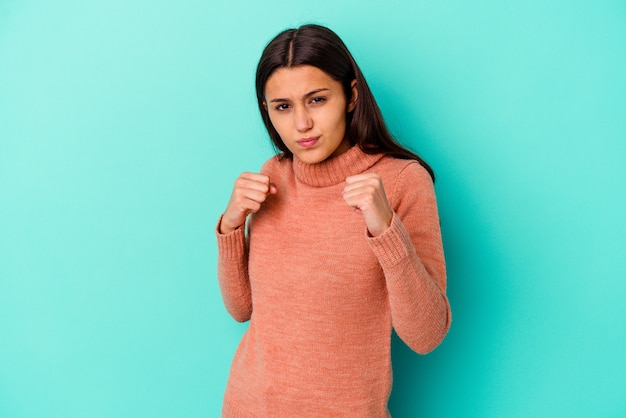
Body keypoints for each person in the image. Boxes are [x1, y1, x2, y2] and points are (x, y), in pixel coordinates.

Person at [216, 24, 451, 417]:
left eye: (317, 99)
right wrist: (230, 225)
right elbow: (241, 308)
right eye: (283, 106)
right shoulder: (271, 177)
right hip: (248, 406)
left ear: (350, 95)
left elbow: (426, 335)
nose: (302, 124)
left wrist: (385, 231)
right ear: (267, 111)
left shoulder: (402, 181)